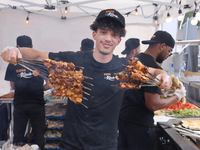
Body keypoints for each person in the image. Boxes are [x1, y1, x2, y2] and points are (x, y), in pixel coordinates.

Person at [2, 9, 177, 150]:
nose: (108, 38)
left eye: (114, 35)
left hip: (106, 145)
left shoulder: (125, 67)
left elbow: (152, 71)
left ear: (119, 40)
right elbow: (39, 55)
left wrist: (163, 76)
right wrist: (16, 51)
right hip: (71, 144)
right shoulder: (74, 60)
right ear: (94, 35)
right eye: (103, 32)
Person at [118, 31, 186, 150]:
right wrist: (177, 96)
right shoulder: (153, 67)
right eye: (169, 51)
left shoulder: (135, 60)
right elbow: (153, 104)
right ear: (162, 46)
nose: (167, 56)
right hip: (140, 126)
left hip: (124, 121)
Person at [4, 35, 52, 150]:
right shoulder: (41, 63)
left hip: (20, 104)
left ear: (18, 47)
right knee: (39, 136)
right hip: (37, 104)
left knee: (18, 137)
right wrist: (39, 88)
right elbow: (50, 85)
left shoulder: (12, 63)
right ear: (32, 47)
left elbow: (13, 86)